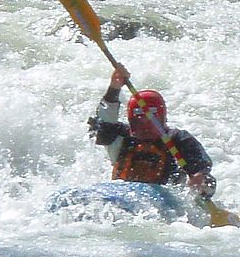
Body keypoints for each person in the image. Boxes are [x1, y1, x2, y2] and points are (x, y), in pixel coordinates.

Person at [88, 66, 217, 197]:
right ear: (131, 121)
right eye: (139, 121)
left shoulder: (179, 140)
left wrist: (201, 180)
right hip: (123, 197)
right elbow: (103, 120)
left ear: (162, 119)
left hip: (164, 201)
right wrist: (114, 88)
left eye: (150, 120)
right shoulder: (120, 136)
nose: (145, 126)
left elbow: (203, 170)